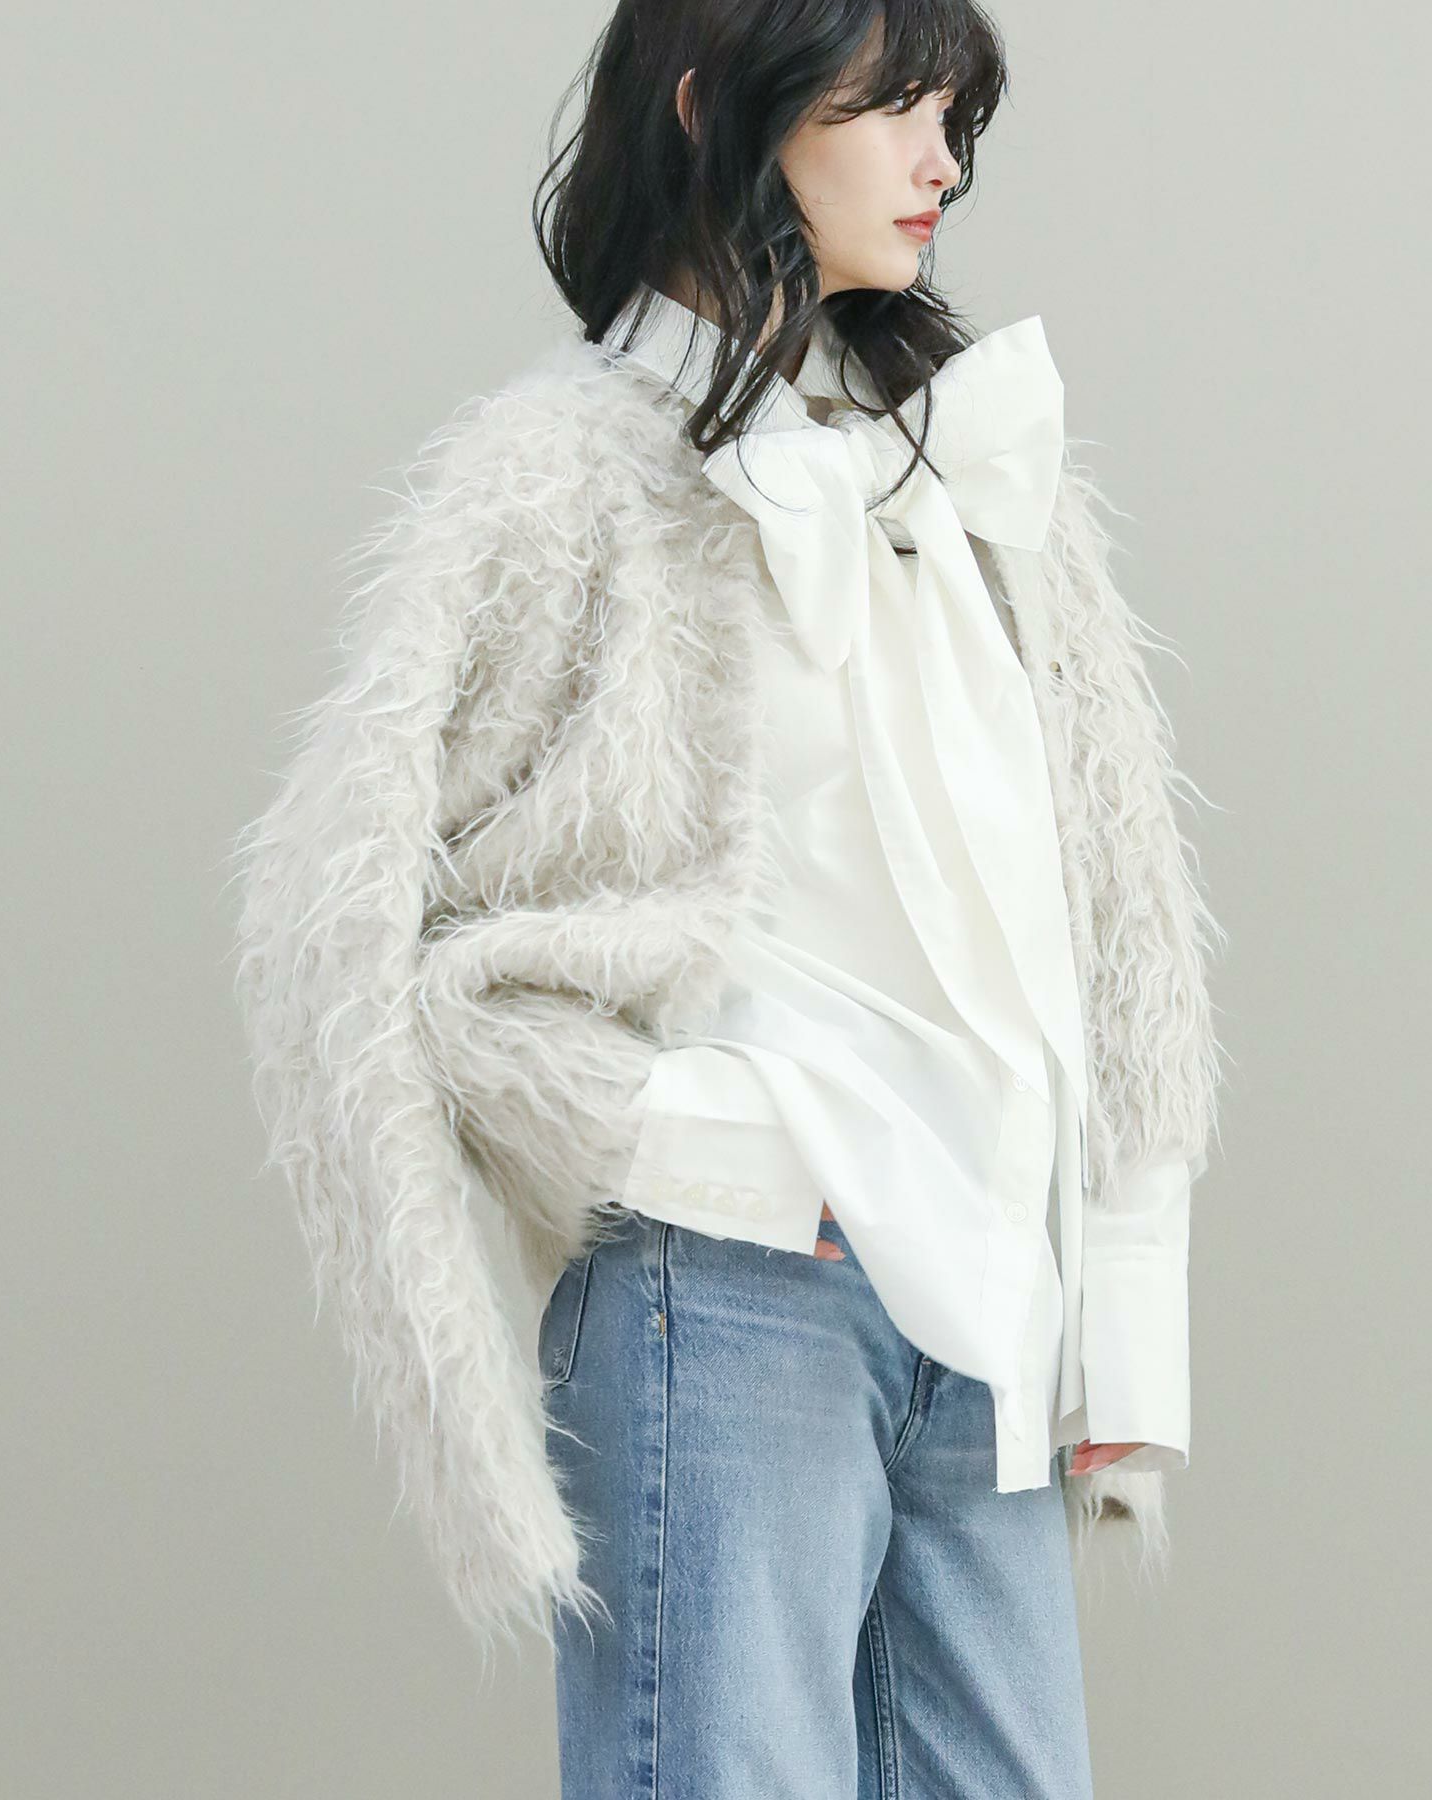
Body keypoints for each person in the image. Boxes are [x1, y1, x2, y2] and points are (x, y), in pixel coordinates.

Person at [230, 2, 1226, 1791]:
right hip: (735, 1282)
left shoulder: (966, 459)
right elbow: (349, 906)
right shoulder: (563, 470)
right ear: (715, 108)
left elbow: (1116, 890)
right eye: (892, 107)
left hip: (988, 1297)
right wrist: (682, 1143)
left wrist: (1123, 1307)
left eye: (956, 116)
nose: (941, 162)